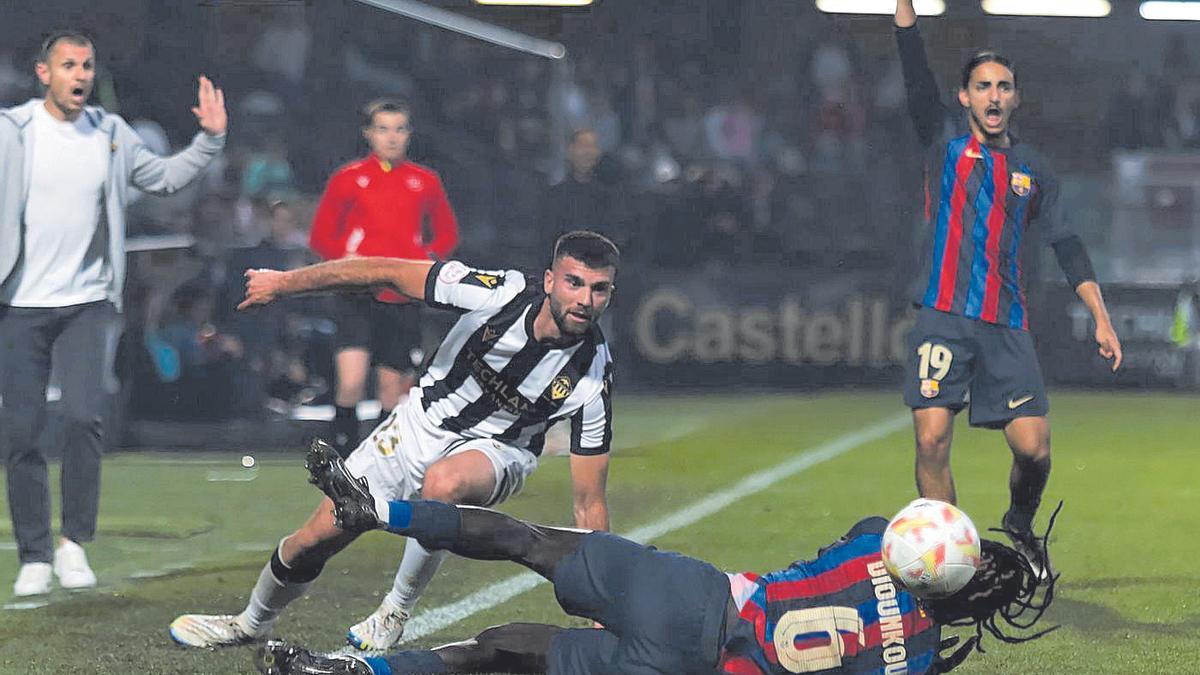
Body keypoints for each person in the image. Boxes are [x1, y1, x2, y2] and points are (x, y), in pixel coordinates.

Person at [253, 440, 1060, 675]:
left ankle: (375, 508)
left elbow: (873, 529)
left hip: (692, 598)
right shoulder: (913, 662)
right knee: (502, 653)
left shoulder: (874, 543)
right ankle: (351, 674)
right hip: (687, 671)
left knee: (527, 540)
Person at [170, 230, 619, 652]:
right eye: (574, 283)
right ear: (549, 280)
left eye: (598, 289)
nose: (584, 300)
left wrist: (604, 605)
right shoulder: (496, 293)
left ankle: (394, 612)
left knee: (444, 484)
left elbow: (589, 503)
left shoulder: (592, 377)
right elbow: (382, 271)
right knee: (315, 538)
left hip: (499, 451)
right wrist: (284, 283)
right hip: (416, 426)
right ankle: (249, 623)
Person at [891, 0, 1122, 580]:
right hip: (942, 316)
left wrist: (1100, 315)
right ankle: (952, 567)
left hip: (1006, 324)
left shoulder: (1033, 169)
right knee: (932, 438)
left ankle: (1020, 524)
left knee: (1034, 448)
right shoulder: (941, 142)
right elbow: (914, 72)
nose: (994, 96)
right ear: (964, 96)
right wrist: (906, 16)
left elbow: (1067, 243)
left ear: (1015, 98)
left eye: (1004, 87)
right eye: (982, 86)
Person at [0, 29, 227, 597]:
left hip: (87, 301)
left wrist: (209, 141)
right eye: (69, 65)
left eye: (87, 66)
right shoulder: (12, 132)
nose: (80, 75)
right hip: (19, 303)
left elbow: (165, 178)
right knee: (22, 429)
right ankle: (33, 553)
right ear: (43, 72)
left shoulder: (110, 133)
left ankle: (73, 543)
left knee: (82, 416)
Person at [308, 99, 459, 458]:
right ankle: (339, 460)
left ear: (408, 134)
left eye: (399, 129)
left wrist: (422, 263)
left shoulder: (424, 181)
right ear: (368, 134)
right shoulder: (349, 178)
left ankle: (381, 463)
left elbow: (446, 235)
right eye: (383, 129)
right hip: (355, 295)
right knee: (352, 381)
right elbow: (321, 236)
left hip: (401, 298)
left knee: (393, 390)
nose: (391, 137)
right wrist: (345, 260)